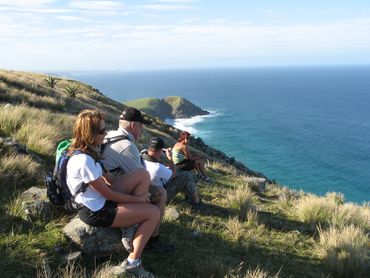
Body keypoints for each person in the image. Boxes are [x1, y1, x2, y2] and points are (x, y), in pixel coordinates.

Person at [66, 109, 158, 278]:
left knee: (142, 175)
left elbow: (109, 180)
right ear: (90, 133)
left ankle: (130, 225)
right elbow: (108, 194)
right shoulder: (83, 160)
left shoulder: (91, 150)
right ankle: (132, 263)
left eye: (105, 128)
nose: (105, 133)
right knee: (153, 213)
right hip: (95, 210)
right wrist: (138, 200)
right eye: (101, 131)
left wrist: (135, 196)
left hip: (99, 199)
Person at [102, 106, 173, 253]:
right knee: (160, 193)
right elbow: (141, 178)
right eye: (141, 126)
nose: (142, 130)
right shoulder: (127, 146)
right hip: (112, 192)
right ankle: (152, 239)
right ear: (134, 125)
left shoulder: (109, 135)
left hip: (104, 185)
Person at [142, 137, 203, 207]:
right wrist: (170, 158)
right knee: (186, 176)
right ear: (161, 150)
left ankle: (191, 197)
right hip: (160, 196)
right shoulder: (157, 167)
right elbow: (174, 174)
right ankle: (196, 202)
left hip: (149, 191)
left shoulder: (142, 158)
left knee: (180, 172)